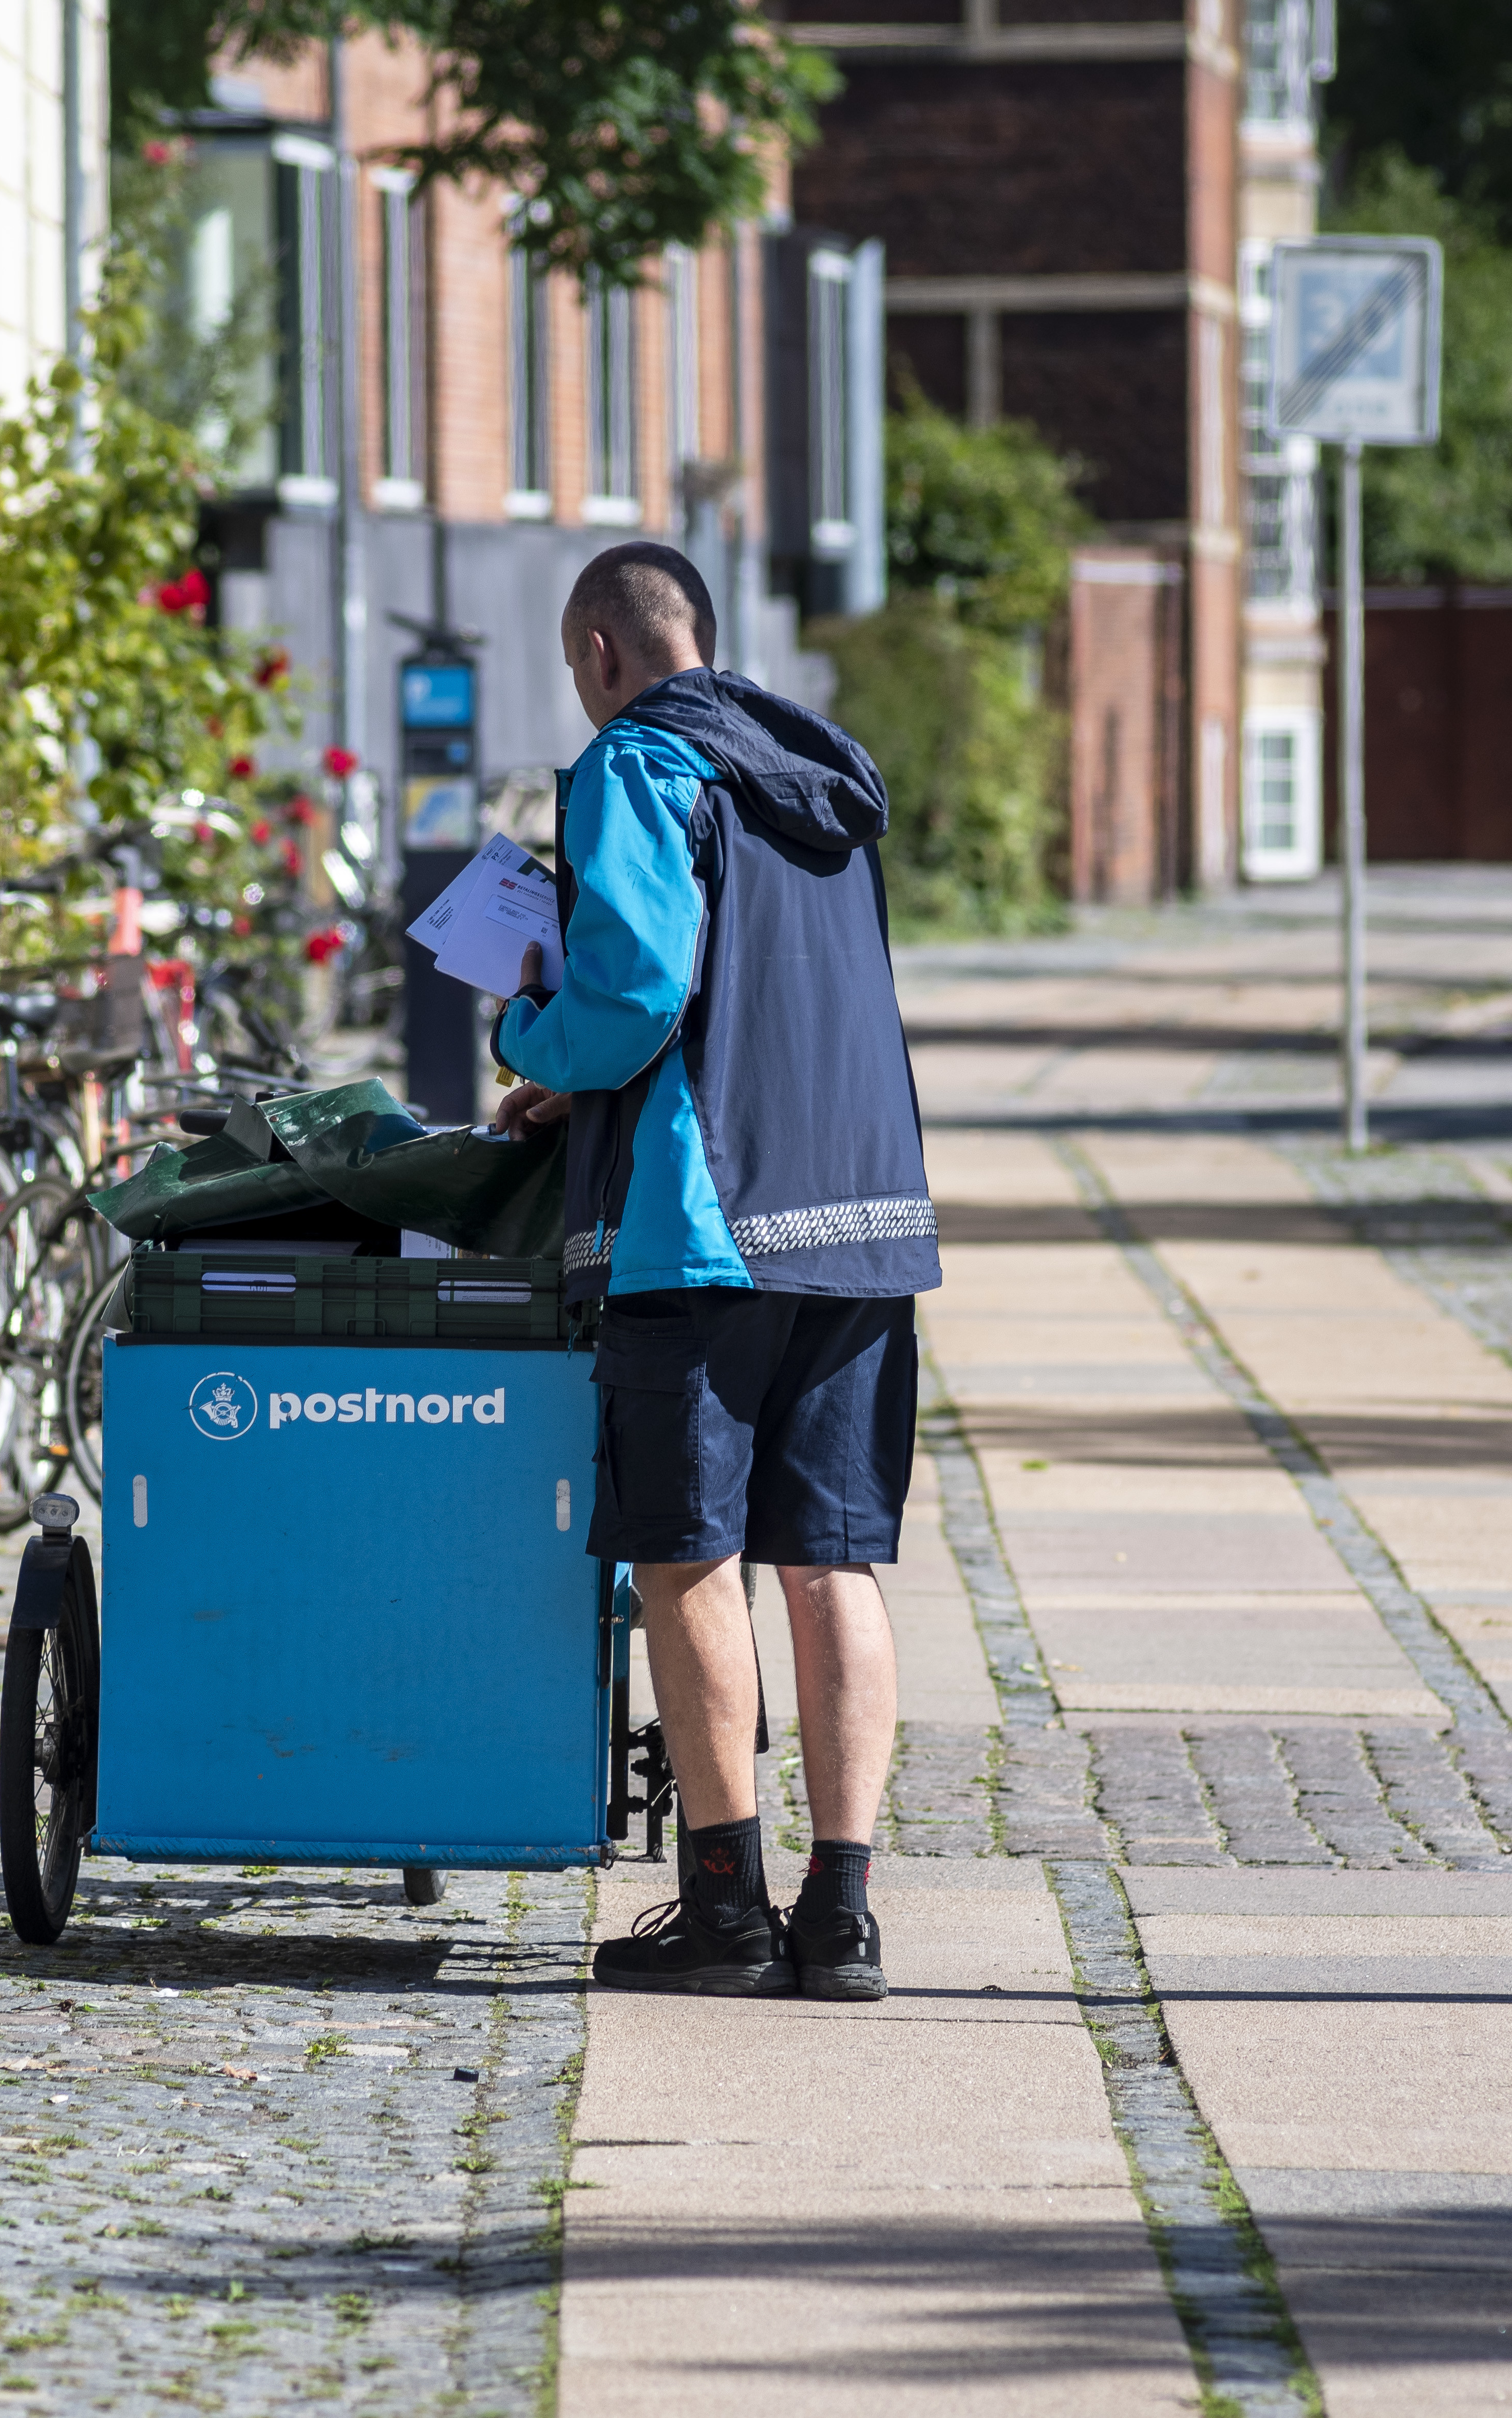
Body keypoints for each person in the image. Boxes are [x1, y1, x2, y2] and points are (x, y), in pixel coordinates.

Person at [490, 540, 939, 2001]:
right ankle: (848, 1908)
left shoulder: (637, 766)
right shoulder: (827, 780)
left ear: (605, 656)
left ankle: (728, 1902)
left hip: (702, 1230)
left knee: (690, 1552)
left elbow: (630, 997)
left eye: (577, 672)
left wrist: (529, 1046)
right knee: (837, 1556)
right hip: (861, 1217)